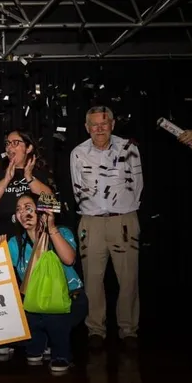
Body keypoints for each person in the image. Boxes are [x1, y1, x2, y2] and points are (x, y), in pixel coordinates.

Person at [70, 105, 143, 350]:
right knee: (92, 278)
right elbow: (76, 187)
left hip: (124, 220)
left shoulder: (129, 148)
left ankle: (128, 329)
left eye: (104, 123)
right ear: (87, 127)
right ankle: (95, 330)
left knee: (128, 278)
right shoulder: (78, 153)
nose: (99, 128)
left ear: (112, 124)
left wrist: (123, 208)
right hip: (91, 223)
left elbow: (138, 184)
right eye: (94, 124)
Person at [0, 193, 88, 373]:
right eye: (19, 209)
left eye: (28, 207)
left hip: (67, 302)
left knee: (52, 317)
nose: (23, 213)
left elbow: (69, 259)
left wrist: (50, 227)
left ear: (40, 210)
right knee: (32, 355)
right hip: (35, 304)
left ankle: (61, 353)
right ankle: (40, 341)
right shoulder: (15, 243)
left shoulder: (61, 232)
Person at [0, 129, 54, 238]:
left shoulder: (40, 171)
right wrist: (6, 179)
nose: (9, 148)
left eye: (15, 143)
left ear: (28, 148)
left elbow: (51, 205)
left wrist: (29, 178)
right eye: (7, 144)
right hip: (3, 238)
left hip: (34, 238)